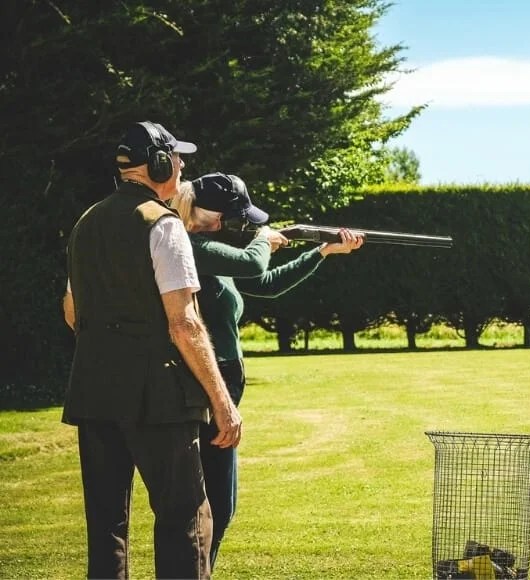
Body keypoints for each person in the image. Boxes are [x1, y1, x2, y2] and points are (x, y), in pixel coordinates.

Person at [62, 122, 242, 579]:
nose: (182, 167)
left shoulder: (87, 223)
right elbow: (185, 325)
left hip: (93, 391)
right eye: (177, 158)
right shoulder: (163, 224)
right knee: (186, 516)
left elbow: (71, 311)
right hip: (158, 396)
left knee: (107, 527)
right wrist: (223, 405)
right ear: (160, 164)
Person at [170, 172, 363, 567]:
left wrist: (321, 251)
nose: (237, 225)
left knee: (221, 503)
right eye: (231, 218)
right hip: (204, 387)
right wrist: (265, 239)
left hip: (220, 385)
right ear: (210, 214)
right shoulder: (190, 246)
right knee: (215, 505)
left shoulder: (211, 250)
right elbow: (252, 259)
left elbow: (266, 281)